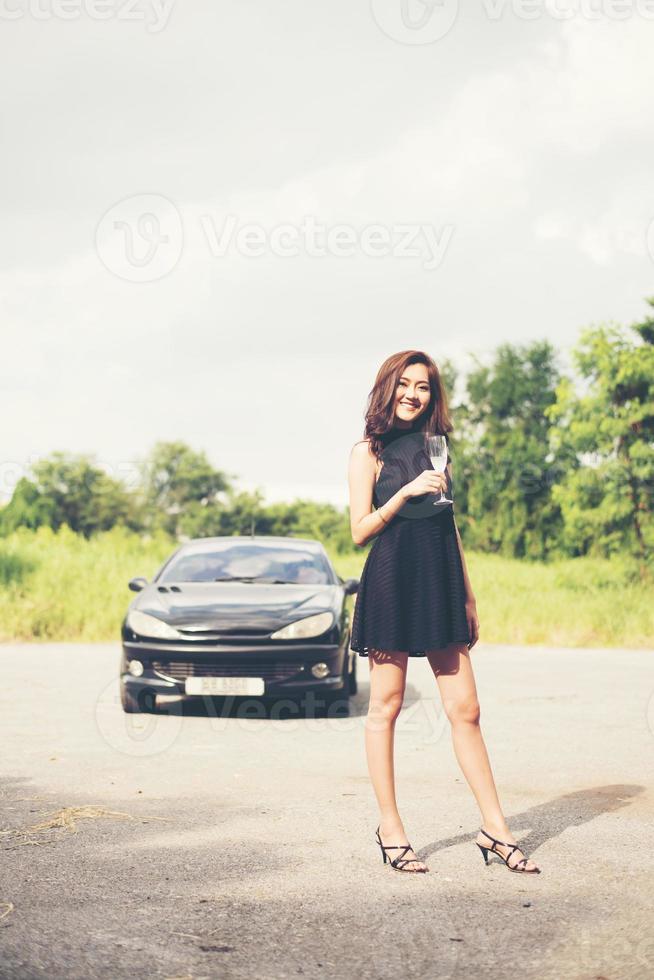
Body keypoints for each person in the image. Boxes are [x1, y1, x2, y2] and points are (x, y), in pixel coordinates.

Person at [347, 350, 541, 875]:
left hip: (438, 580)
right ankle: (391, 827)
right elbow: (359, 530)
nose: (413, 394)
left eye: (424, 386)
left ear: (434, 395)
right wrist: (405, 493)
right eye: (405, 384)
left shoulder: (438, 449)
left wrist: (468, 593)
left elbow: (447, 522)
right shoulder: (369, 452)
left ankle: (495, 829)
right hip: (391, 579)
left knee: (467, 709)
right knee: (385, 707)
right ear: (387, 388)